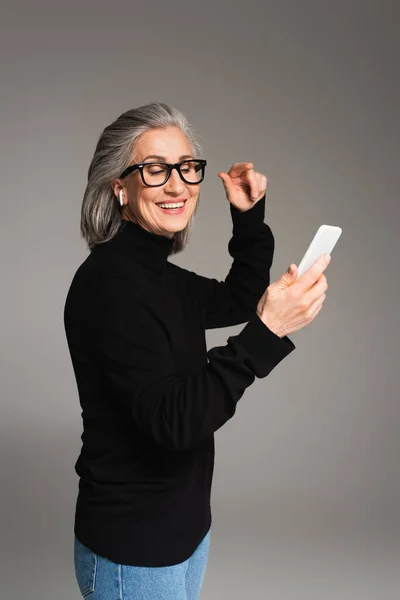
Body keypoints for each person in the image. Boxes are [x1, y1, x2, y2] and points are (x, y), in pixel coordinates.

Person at [64, 102, 330, 599]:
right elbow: (175, 422)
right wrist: (266, 331)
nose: (178, 184)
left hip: (183, 531)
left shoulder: (156, 276)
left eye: (187, 167)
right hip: (135, 549)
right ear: (119, 187)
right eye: (155, 169)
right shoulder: (111, 286)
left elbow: (236, 297)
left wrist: (248, 218)